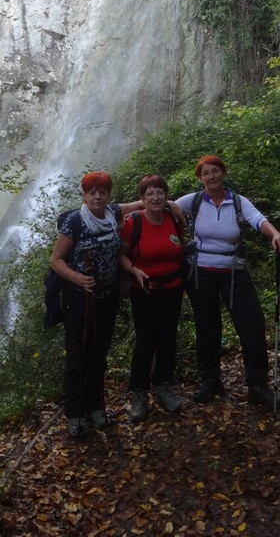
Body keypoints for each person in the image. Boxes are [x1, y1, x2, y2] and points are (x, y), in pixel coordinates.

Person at [175, 155, 280, 410]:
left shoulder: (237, 201)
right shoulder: (192, 201)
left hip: (234, 270)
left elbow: (258, 220)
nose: (211, 176)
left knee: (252, 323)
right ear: (200, 178)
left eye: (215, 171)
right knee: (207, 326)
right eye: (206, 173)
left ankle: (257, 386)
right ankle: (210, 381)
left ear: (223, 173)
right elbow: (162, 207)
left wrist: (276, 234)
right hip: (200, 271)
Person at [50, 172, 145, 439]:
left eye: (102, 191)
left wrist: (171, 204)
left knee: (99, 354)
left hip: (107, 297)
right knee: (78, 354)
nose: (97, 196)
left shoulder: (112, 213)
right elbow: (56, 260)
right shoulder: (74, 222)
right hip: (80, 299)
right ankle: (75, 413)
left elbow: (140, 205)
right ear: (84, 194)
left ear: (108, 194)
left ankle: (96, 407)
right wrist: (77, 278)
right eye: (92, 192)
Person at [119, 175, 186, 423]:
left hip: (173, 288)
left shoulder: (175, 219)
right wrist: (133, 270)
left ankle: (164, 385)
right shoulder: (133, 223)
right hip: (144, 290)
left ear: (166, 196)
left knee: (168, 337)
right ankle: (139, 392)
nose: (156, 197)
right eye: (150, 193)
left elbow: (180, 249)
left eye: (160, 192)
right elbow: (122, 255)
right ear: (143, 198)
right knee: (146, 340)